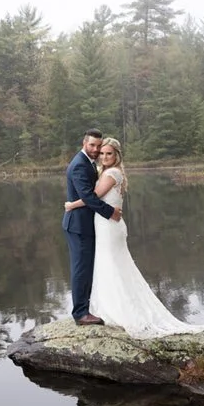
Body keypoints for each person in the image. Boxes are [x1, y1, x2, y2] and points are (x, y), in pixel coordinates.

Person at [64, 138, 204, 336]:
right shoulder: (104, 171)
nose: (103, 156)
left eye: (109, 153)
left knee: (111, 264)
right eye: (102, 153)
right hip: (105, 225)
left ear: (117, 156)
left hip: (108, 226)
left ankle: (115, 310)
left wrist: (72, 205)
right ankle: (104, 307)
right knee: (110, 265)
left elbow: (93, 197)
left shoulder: (112, 173)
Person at [61, 128, 120, 326]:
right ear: (84, 144)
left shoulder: (88, 162)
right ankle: (80, 314)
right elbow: (88, 196)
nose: (96, 149)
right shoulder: (79, 165)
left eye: (98, 145)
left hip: (86, 225)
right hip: (78, 226)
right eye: (92, 145)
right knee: (81, 269)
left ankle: (86, 308)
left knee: (86, 268)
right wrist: (109, 212)